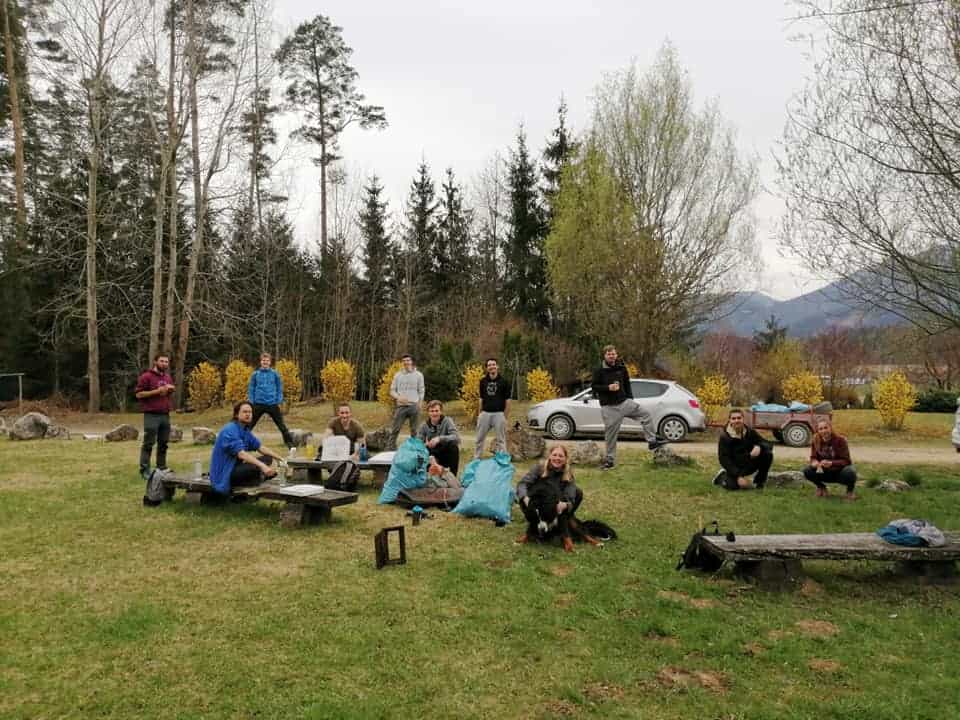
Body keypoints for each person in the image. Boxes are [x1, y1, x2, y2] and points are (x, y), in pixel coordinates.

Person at [591, 345, 664, 470]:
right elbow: (594, 387)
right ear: (605, 356)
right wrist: (608, 388)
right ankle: (610, 460)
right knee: (611, 436)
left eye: (613, 354)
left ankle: (652, 441)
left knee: (645, 414)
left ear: (616, 354)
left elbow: (627, 383)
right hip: (609, 408)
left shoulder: (621, 367)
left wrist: (630, 398)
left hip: (625, 403)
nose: (611, 356)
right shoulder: (599, 370)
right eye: (609, 354)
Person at [515, 445, 584, 553]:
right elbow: (522, 484)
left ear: (565, 459)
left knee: (578, 492)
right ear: (549, 456)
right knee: (527, 491)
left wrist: (565, 504)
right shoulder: (539, 467)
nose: (557, 458)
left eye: (561, 456)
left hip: (556, 506)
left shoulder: (568, 472)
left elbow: (570, 493)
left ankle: (561, 525)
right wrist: (525, 497)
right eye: (554, 455)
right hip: (537, 504)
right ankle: (534, 524)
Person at [209, 401, 285, 495]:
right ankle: (260, 476)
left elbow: (260, 447)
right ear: (237, 414)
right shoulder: (229, 430)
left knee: (268, 458)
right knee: (255, 467)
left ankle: (260, 476)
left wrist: (280, 458)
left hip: (236, 467)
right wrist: (263, 466)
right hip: (225, 472)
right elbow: (241, 454)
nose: (248, 414)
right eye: (245, 412)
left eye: (250, 412)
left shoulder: (244, 430)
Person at [135, 351, 175, 478]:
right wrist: (157, 391)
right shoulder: (146, 377)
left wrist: (170, 390)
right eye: (162, 361)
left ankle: (161, 467)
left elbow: (166, 394)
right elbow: (139, 394)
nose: (164, 363)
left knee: (163, 443)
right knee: (149, 443)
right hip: (151, 414)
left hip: (165, 414)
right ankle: (144, 470)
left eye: (166, 361)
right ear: (155, 362)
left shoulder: (167, 377)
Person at [715, 408, 773, 490]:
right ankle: (722, 476)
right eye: (733, 418)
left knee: (768, 454)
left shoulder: (750, 432)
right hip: (735, 467)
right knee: (733, 487)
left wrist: (759, 446)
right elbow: (724, 459)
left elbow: (768, 444)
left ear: (743, 419)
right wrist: (738, 476)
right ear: (729, 420)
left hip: (749, 463)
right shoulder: (725, 437)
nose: (736, 421)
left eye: (739, 418)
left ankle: (759, 482)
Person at [247, 352, 294, 448]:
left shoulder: (275, 374)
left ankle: (291, 445)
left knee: (282, 426)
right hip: (258, 404)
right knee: (249, 425)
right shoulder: (255, 375)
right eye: (263, 360)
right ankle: (241, 443)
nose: (265, 362)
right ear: (261, 362)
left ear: (270, 362)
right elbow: (251, 388)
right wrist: (251, 401)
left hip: (272, 404)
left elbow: (279, 387)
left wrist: (279, 399)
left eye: (267, 360)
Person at [803, 418, 858, 500]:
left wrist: (831, 463)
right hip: (824, 472)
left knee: (850, 472)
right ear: (818, 430)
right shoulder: (815, 440)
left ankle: (850, 491)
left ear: (830, 428)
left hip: (839, 472)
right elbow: (813, 457)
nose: (823, 431)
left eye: (826, 427)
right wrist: (814, 462)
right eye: (820, 429)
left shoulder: (840, 440)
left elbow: (847, 461)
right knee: (807, 470)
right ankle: (821, 487)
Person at [475, 357, 511, 459]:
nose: (492, 367)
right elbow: (481, 399)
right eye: (489, 365)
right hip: (485, 414)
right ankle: (477, 459)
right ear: (487, 368)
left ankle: (503, 460)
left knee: (501, 440)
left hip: (499, 414)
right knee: (479, 439)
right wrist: (479, 414)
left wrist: (505, 417)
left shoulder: (504, 382)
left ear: (497, 366)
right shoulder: (482, 381)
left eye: (493, 364)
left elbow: (508, 401)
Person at [388, 354, 425, 449]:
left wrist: (420, 403)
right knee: (395, 429)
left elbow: (421, 390)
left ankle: (414, 449)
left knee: (414, 431)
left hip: (414, 406)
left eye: (408, 360)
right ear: (402, 363)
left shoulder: (419, 375)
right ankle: (390, 448)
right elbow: (392, 390)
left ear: (411, 361)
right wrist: (398, 397)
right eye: (404, 361)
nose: (406, 362)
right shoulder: (398, 375)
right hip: (401, 406)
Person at [417, 400, 462, 475]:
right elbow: (417, 443)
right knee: (419, 451)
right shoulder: (424, 426)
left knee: (454, 447)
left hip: (445, 452)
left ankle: (453, 476)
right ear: (428, 413)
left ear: (441, 412)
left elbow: (457, 437)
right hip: (432, 453)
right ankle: (423, 474)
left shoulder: (447, 421)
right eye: (432, 411)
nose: (434, 413)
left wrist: (439, 439)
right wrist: (425, 444)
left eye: (436, 411)